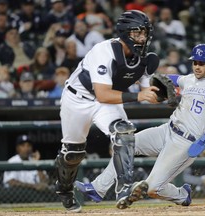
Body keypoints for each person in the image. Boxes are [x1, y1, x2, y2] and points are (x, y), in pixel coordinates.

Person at [75, 44, 205, 208]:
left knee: (152, 189)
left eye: (201, 63)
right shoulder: (188, 79)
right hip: (167, 130)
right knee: (125, 144)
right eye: (195, 62)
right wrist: (142, 77)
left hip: (185, 143)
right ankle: (97, 188)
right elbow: (165, 79)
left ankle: (182, 195)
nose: (197, 66)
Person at [54, 10, 160, 213]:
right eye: (136, 33)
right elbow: (103, 93)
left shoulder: (144, 58)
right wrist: (138, 96)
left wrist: (161, 94)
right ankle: (65, 190)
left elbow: (147, 91)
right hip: (78, 99)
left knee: (124, 132)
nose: (142, 38)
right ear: (124, 33)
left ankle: (125, 188)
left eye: (144, 33)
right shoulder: (104, 50)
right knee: (72, 155)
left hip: (107, 102)